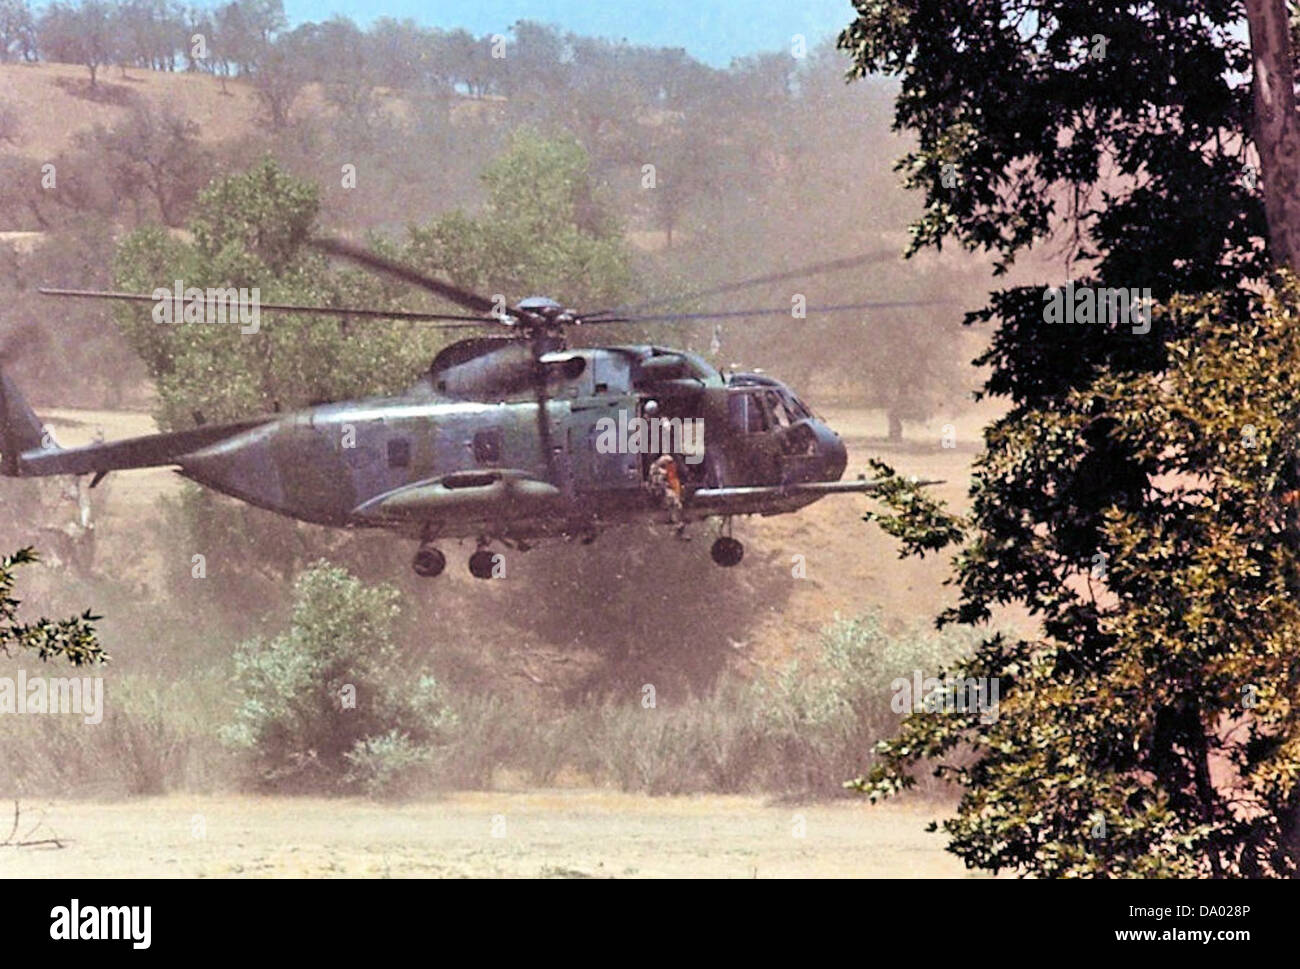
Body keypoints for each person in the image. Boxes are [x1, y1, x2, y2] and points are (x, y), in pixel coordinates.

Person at [648, 453, 688, 539]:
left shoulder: (662, 466)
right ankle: (677, 527)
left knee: (676, 505)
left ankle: (677, 527)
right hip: (663, 490)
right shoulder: (658, 467)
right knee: (675, 505)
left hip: (668, 488)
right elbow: (657, 483)